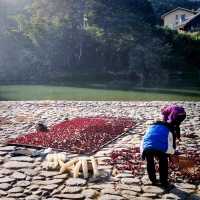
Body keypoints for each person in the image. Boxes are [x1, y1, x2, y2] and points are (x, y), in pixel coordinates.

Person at [140, 105, 186, 189]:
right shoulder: (169, 130)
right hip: (160, 147)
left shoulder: (151, 127)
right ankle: (164, 182)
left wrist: (143, 153)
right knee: (163, 161)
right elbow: (171, 145)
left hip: (146, 147)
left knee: (149, 162)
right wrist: (172, 153)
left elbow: (144, 140)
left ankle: (153, 180)